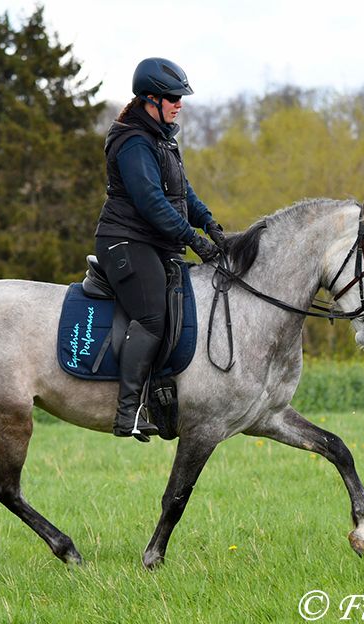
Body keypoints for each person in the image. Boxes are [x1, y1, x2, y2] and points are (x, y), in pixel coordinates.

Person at [95, 57, 227, 442]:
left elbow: (182, 191)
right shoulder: (134, 142)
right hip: (125, 241)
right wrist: (192, 239)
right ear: (150, 100)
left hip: (153, 242)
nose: (179, 103)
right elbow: (152, 202)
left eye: (180, 97)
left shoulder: (161, 138)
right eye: (172, 98)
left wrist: (210, 224)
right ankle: (127, 413)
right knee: (153, 316)